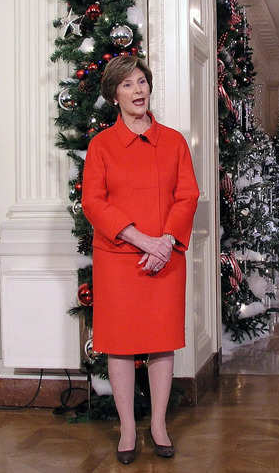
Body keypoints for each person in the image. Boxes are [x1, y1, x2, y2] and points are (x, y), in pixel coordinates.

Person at [81, 55, 199, 465]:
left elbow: (188, 195)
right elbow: (93, 202)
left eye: (142, 82)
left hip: (165, 258)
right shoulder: (101, 146)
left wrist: (164, 242)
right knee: (121, 346)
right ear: (115, 94)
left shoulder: (174, 141)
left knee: (162, 342)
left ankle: (159, 425)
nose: (138, 91)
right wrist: (143, 240)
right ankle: (128, 428)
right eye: (128, 84)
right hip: (119, 259)